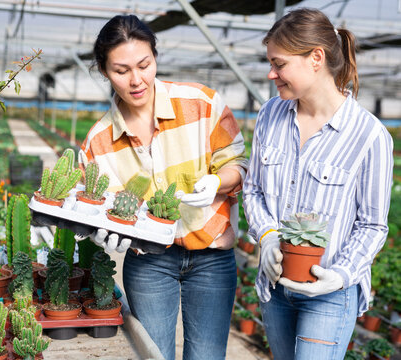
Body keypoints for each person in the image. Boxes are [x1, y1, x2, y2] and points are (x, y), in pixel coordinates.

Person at [76, 14, 247, 360]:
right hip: (149, 262)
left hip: (212, 256)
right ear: (104, 71)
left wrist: (217, 180)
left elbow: (237, 163)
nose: (136, 80)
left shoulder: (202, 104)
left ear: (155, 56)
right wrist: (101, 230)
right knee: (153, 355)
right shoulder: (98, 143)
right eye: (121, 71)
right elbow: (92, 206)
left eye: (144, 64)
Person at [243, 8, 393, 360]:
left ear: (316, 58)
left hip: (329, 294)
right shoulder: (270, 115)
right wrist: (266, 239)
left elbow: (373, 225)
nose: (271, 74)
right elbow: (253, 192)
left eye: (279, 64)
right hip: (276, 285)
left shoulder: (370, 136)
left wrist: (340, 276)